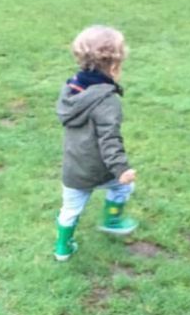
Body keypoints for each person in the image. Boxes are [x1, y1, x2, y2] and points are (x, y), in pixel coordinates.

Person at [54, 25, 138, 262]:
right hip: (99, 168)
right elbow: (110, 139)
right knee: (123, 187)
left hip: (73, 168)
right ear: (114, 66)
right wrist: (121, 169)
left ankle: (62, 248)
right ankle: (112, 219)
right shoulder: (107, 101)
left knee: (70, 210)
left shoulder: (71, 90)